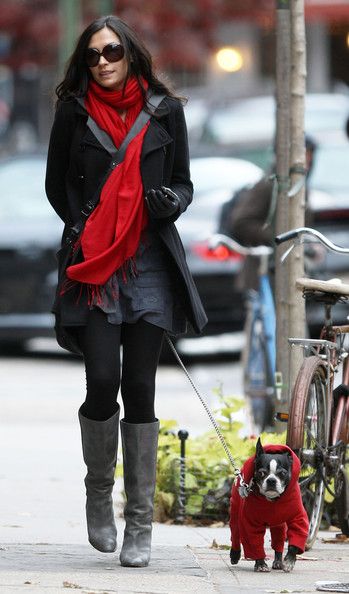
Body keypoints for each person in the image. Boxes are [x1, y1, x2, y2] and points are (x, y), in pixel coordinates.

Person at [45, 15, 207, 568]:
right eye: (92, 55)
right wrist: (84, 227)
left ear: (131, 54)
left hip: (150, 264)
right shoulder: (73, 111)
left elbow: (184, 181)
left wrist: (172, 202)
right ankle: (98, 496)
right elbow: (56, 185)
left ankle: (139, 524)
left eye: (112, 51)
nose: (103, 62)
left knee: (140, 387)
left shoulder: (166, 112)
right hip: (95, 265)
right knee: (102, 380)